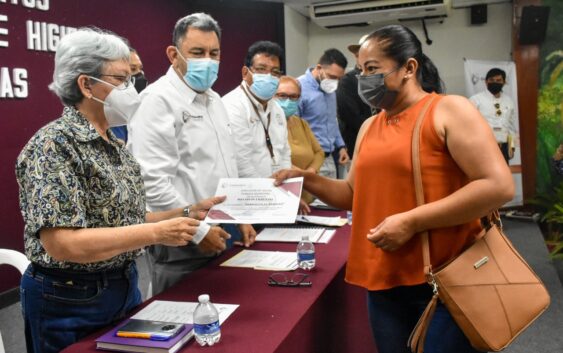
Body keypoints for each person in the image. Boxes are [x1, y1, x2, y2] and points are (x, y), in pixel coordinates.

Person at [273, 24, 514, 353]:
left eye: (372, 69)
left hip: (446, 281)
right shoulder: (370, 126)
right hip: (383, 282)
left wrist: (413, 221)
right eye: (360, 71)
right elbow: (353, 195)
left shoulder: (448, 110)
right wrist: (307, 178)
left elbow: (498, 186)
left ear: (409, 68)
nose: (363, 79)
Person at [15, 28, 223, 353]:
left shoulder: (116, 143)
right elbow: (61, 243)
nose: (133, 89)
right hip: (69, 298)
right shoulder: (53, 145)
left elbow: (125, 218)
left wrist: (184, 213)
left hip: (123, 285)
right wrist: (156, 233)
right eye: (123, 79)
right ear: (85, 84)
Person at [128, 13, 255, 296]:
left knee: (224, 313)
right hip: (180, 236)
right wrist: (197, 232)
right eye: (197, 53)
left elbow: (225, 165)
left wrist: (240, 218)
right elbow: (152, 184)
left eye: (214, 53)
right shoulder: (156, 101)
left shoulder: (215, 100)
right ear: (174, 54)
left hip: (221, 228)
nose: (208, 60)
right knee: (180, 316)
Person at [222, 40, 291, 177]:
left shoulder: (277, 109)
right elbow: (242, 165)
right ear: (245, 72)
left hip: (278, 191)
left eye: (275, 72)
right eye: (261, 69)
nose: (268, 76)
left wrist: (286, 186)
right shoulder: (233, 105)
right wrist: (269, 195)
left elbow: (285, 153)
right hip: (250, 193)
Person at [298, 48, 350, 179]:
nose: (335, 82)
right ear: (319, 67)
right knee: (310, 199)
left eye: (339, 78)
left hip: (330, 156)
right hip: (308, 158)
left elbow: (332, 121)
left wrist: (341, 146)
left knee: (330, 198)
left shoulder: (330, 89)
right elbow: (293, 127)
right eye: (332, 77)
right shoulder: (298, 87)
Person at [274, 75, 324, 204]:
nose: (288, 101)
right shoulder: (267, 124)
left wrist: (310, 172)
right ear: (272, 96)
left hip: (306, 195)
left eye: (293, 97)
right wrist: (304, 175)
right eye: (282, 96)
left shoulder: (301, 123)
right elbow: (274, 159)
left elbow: (319, 152)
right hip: (281, 195)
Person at [336, 35, 373, 159]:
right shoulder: (347, 81)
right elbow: (351, 116)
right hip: (357, 146)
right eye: (359, 55)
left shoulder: (381, 77)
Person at [469, 68, 517, 164]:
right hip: (483, 147)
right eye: (491, 80)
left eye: (499, 80)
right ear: (486, 82)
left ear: (504, 82)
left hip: (503, 147)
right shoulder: (475, 100)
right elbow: (468, 126)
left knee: (503, 176)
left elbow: (511, 127)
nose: (495, 82)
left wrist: (511, 146)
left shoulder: (509, 101)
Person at [110, 47, 147, 143]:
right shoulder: (111, 110)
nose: (140, 75)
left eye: (140, 69)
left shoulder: (141, 107)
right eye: (133, 69)